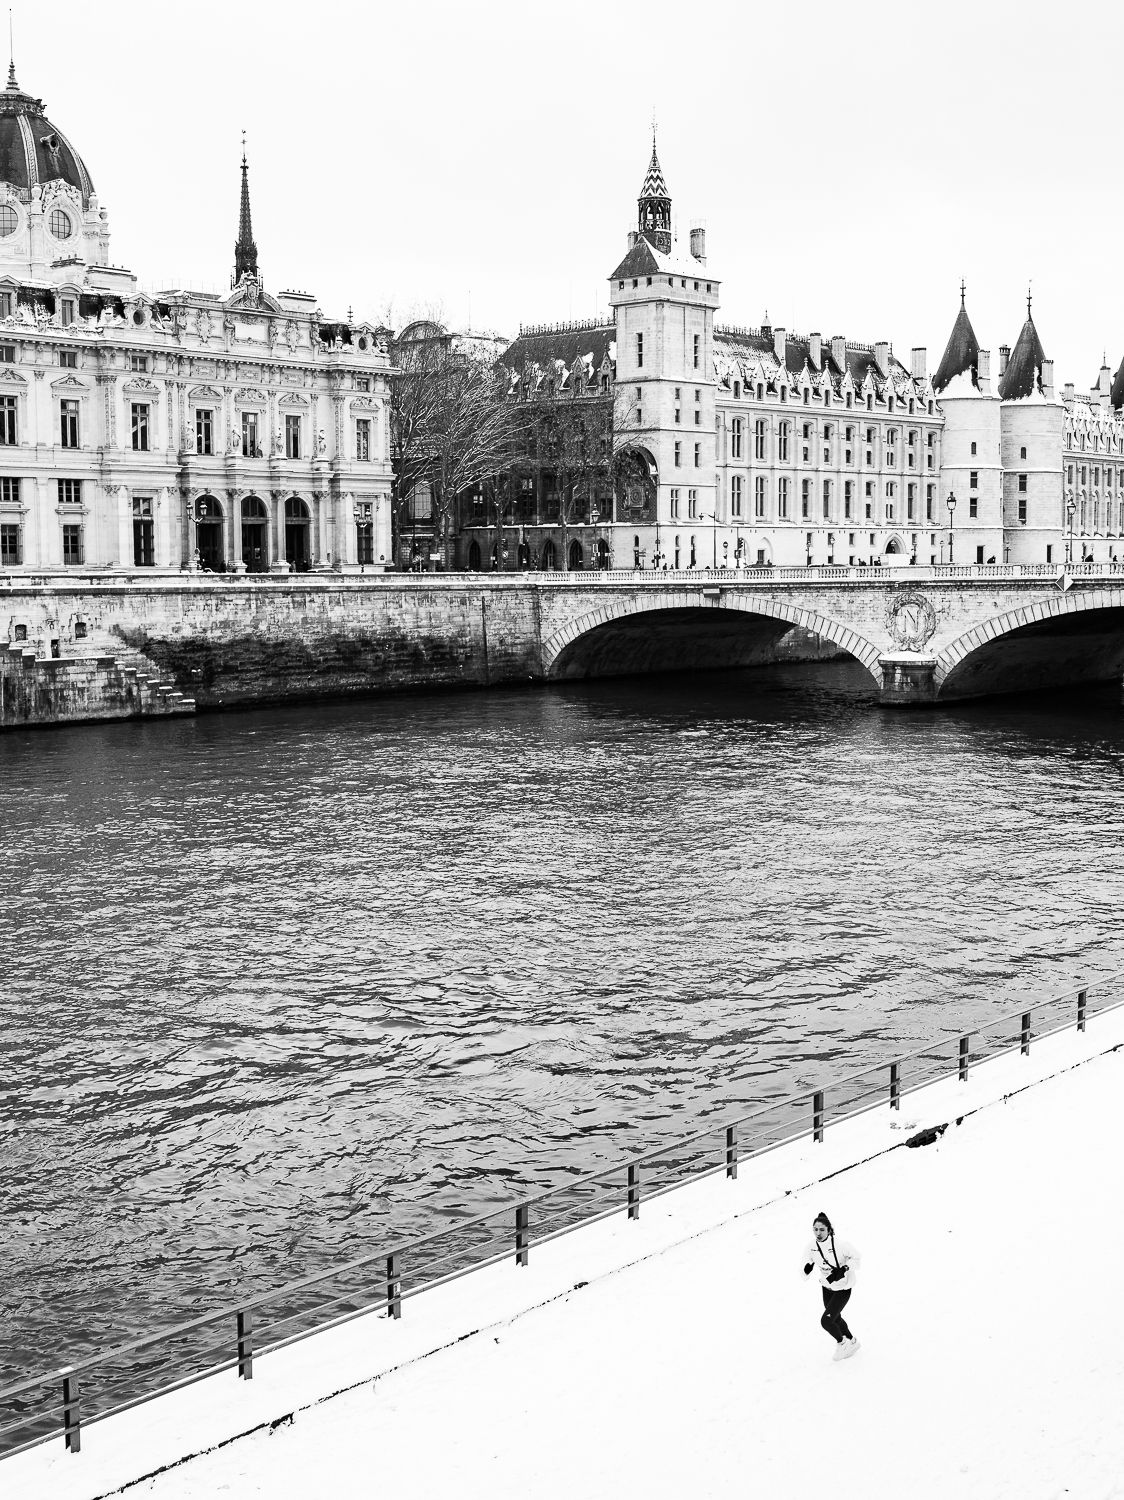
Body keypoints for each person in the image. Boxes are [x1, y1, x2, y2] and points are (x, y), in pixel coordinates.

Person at [803, 1211, 861, 1361]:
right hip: (826, 1288)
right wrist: (806, 1270)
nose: (818, 1233)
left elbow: (856, 1258)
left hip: (843, 1288)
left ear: (829, 1230)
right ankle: (852, 1341)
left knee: (826, 1321)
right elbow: (804, 1265)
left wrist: (845, 1268)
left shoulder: (840, 1245)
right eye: (815, 1229)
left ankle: (842, 1343)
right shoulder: (811, 1246)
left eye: (822, 1229)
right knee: (835, 1318)